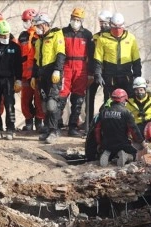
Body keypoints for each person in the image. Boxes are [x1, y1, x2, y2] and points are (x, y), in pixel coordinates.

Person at [31, 12, 66, 144]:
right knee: (45, 104)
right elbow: (36, 60)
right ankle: (47, 128)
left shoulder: (56, 35)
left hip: (53, 73)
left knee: (52, 103)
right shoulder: (39, 40)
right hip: (42, 74)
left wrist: (57, 70)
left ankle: (54, 130)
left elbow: (61, 54)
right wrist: (34, 76)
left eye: (39, 25)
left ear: (45, 24)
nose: (37, 28)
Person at [60, 8, 94, 136]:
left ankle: (73, 126)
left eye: (78, 20)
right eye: (74, 18)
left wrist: (90, 72)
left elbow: (91, 55)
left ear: (82, 21)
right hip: (66, 66)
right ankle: (57, 124)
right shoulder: (63, 33)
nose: (75, 21)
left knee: (78, 99)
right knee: (61, 97)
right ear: (70, 18)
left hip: (81, 68)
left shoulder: (87, 34)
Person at [94, 12, 141, 102]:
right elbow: (98, 59)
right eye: (115, 27)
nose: (117, 30)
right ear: (111, 25)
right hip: (110, 76)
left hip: (126, 75)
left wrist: (137, 75)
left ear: (123, 26)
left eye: (119, 27)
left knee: (130, 100)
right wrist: (98, 74)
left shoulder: (131, 38)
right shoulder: (102, 38)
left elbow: (136, 59)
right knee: (109, 100)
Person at [95, 88, 144, 167]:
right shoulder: (126, 112)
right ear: (124, 100)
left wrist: (100, 143)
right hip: (122, 143)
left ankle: (107, 153)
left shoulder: (103, 112)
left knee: (109, 148)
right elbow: (134, 130)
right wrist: (141, 142)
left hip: (106, 143)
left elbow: (97, 130)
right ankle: (126, 156)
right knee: (136, 153)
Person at [18, 8, 45, 132]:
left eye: (27, 20)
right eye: (24, 20)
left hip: (37, 73)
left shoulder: (40, 35)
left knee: (39, 98)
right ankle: (28, 121)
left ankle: (39, 121)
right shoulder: (22, 36)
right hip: (24, 73)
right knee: (25, 99)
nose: (25, 22)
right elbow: (19, 55)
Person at [86, 10, 113, 130]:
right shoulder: (95, 37)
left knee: (108, 98)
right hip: (94, 73)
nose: (103, 25)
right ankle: (89, 123)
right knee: (89, 97)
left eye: (105, 22)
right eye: (101, 22)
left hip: (108, 73)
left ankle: (106, 122)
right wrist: (91, 73)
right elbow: (90, 57)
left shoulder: (114, 38)